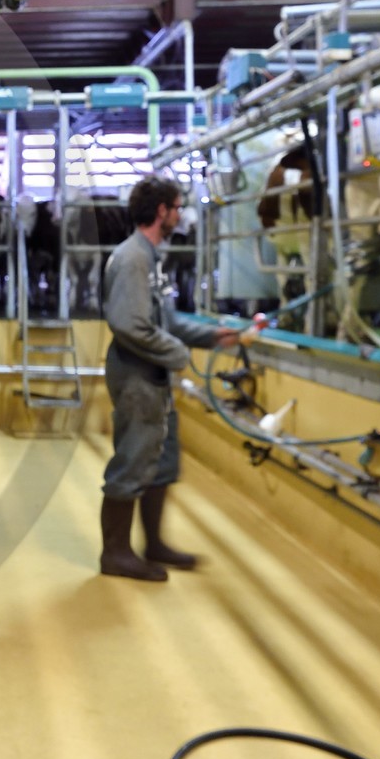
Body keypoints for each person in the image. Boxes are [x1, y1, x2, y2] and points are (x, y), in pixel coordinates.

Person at [99, 176, 238, 582]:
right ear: (162, 211)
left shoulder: (152, 257)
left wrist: (212, 336)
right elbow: (129, 325)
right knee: (133, 460)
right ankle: (116, 554)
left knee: (160, 460)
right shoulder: (133, 259)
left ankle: (153, 543)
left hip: (153, 375)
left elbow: (169, 322)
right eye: (178, 207)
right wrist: (178, 355)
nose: (181, 213)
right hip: (137, 377)